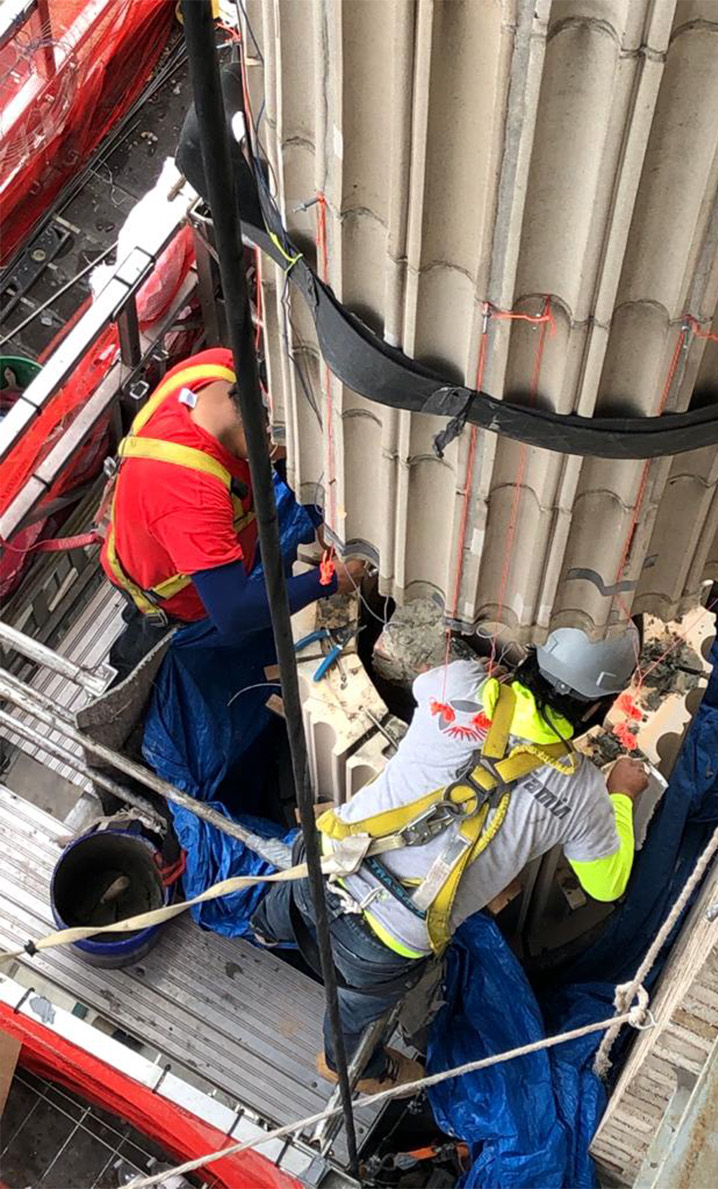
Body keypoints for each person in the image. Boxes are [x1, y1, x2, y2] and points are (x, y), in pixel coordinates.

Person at [252, 625, 649, 1092]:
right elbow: (607, 885)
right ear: (599, 707)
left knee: (287, 906)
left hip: (325, 864)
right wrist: (620, 796)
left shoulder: (459, 683)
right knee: (352, 1013)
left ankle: (264, 929)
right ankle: (352, 1066)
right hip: (386, 944)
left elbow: (424, 682)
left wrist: (487, 680)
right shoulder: (583, 794)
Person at [99, 346, 362, 671]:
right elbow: (233, 612)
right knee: (159, 649)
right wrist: (329, 580)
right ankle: (129, 669)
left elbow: (281, 456)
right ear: (261, 429)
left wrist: (318, 518)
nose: (282, 451)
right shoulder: (192, 497)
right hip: (168, 593)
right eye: (277, 440)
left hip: (155, 531)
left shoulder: (217, 367)